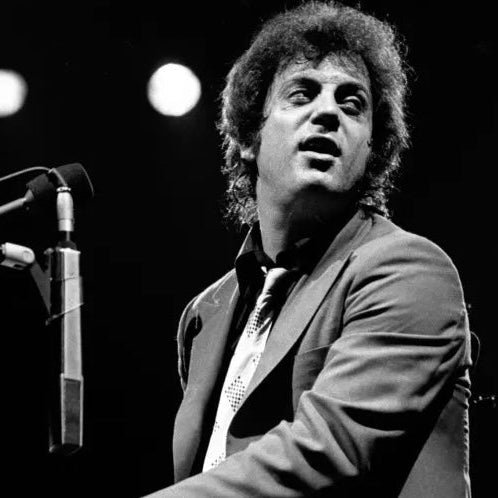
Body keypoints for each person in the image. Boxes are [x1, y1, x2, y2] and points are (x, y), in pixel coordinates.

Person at [145, 1, 472, 496]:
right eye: (302, 94)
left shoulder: (410, 271)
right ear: (249, 136)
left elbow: (325, 449)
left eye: (352, 104)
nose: (328, 112)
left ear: (372, 150)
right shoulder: (205, 313)